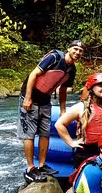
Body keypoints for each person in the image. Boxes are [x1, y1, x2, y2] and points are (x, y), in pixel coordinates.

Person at [18, 40, 83, 183]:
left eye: (80, 51)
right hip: (30, 97)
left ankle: (42, 165)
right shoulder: (54, 57)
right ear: (69, 49)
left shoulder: (72, 69)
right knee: (29, 134)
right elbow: (33, 74)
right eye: (75, 49)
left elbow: (64, 89)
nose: (77, 52)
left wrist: (63, 110)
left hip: (45, 100)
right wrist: (27, 98)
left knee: (45, 133)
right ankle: (30, 168)